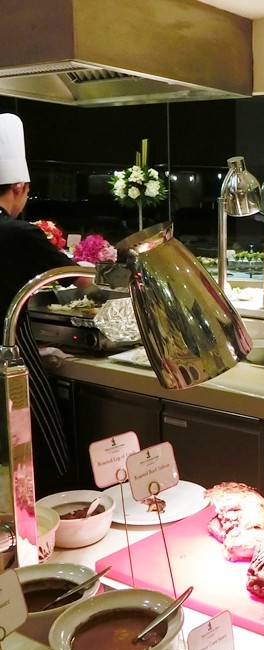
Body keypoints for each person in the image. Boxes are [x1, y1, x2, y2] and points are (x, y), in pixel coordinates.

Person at [0, 112, 85, 498]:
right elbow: (80, 280)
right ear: (19, 186)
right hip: (10, 362)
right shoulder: (18, 233)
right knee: (39, 457)